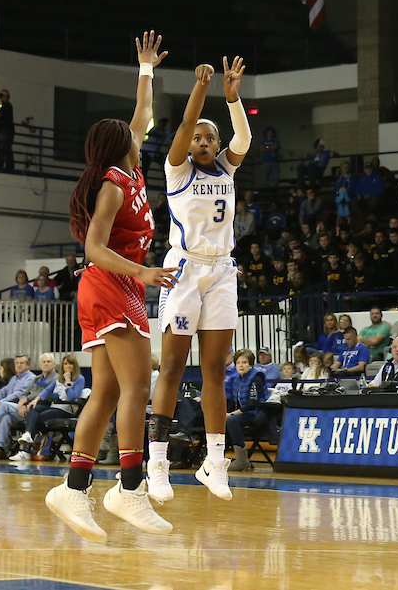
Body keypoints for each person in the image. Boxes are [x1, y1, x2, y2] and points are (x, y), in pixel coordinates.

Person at [46, 29, 177, 542]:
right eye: (130, 134)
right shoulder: (112, 185)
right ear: (118, 148)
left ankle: (74, 489)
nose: (139, 133)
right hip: (109, 283)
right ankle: (128, 488)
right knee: (137, 386)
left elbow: (142, 112)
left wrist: (145, 68)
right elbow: (93, 248)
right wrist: (141, 272)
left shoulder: (133, 166)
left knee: (105, 391)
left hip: (109, 287)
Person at [146, 55, 250, 506]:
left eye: (212, 137)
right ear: (190, 145)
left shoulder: (227, 168)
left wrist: (233, 99)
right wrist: (201, 89)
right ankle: (157, 462)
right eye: (199, 137)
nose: (204, 141)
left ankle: (214, 460)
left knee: (214, 370)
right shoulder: (177, 169)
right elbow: (188, 121)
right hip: (184, 269)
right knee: (171, 367)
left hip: (223, 270)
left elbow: (242, 138)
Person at [0, 354, 57, 459]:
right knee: (6, 417)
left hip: (40, 409)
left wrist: (25, 401)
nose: (46, 364)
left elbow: (44, 394)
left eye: (48, 362)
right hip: (25, 408)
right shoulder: (37, 378)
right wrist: (22, 402)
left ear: (54, 364)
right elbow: (24, 393)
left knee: (4, 406)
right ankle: (0, 448)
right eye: (44, 362)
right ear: (40, 365)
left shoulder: (56, 378)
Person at [14, 354, 86, 461]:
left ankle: (27, 449)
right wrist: (36, 400)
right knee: (32, 408)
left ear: (75, 365)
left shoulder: (79, 379)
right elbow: (47, 390)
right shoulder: (59, 379)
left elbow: (72, 396)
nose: (68, 366)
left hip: (66, 409)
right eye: (65, 364)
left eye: (70, 363)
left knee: (37, 418)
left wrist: (68, 381)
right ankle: (28, 435)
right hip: (54, 407)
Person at [222, 349, 268, 472]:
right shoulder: (237, 379)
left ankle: (242, 460)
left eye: (244, 362)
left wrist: (231, 414)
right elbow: (233, 402)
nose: (241, 365)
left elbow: (252, 404)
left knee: (232, 420)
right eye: (238, 363)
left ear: (251, 364)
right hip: (243, 413)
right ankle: (218, 457)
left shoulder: (256, 378)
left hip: (256, 414)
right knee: (223, 420)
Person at [0, 89, 15, 173]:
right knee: (6, 149)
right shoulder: (4, 107)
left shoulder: (7, 106)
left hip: (5, 131)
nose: (1, 97)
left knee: (3, 149)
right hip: (5, 131)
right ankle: (8, 166)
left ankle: (1, 166)